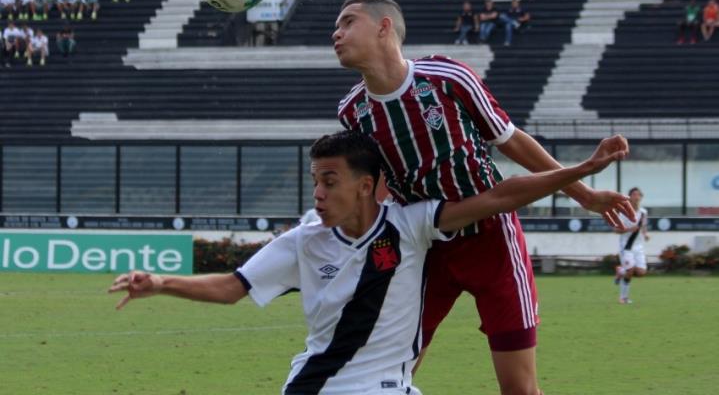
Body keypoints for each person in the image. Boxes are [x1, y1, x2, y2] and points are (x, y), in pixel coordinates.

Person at [109, 130, 627, 395]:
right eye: (313, 181)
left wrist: (583, 174)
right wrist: (159, 282)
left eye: (328, 181)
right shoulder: (303, 242)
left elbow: (499, 196)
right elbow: (231, 286)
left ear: (364, 186)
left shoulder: (410, 226)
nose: (317, 193)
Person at [332, 0, 634, 395]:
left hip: (492, 238)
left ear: (384, 26)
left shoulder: (447, 78)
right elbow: (380, 182)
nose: (337, 33)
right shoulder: (352, 112)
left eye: (348, 22)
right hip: (423, 249)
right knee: (383, 377)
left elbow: (511, 141)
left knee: (519, 388)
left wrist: (584, 195)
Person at [613, 187, 649, 304]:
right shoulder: (624, 212)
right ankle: (623, 298)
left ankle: (620, 271)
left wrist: (645, 234)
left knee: (641, 273)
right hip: (626, 247)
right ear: (629, 197)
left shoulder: (643, 212)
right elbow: (616, 229)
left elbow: (643, 227)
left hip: (639, 247)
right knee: (630, 271)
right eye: (634, 194)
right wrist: (629, 229)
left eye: (639, 195)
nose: (637, 197)